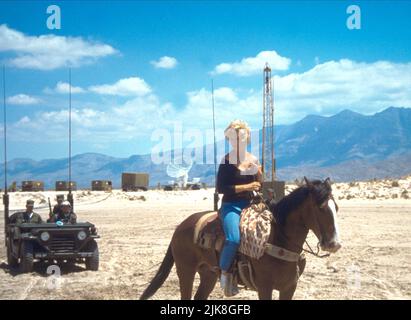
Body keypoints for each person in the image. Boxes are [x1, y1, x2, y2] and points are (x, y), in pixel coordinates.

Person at [216, 120, 262, 297]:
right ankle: (225, 273)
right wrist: (247, 186)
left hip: (252, 205)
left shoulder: (254, 160)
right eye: (234, 138)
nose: (238, 141)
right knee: (233, 239)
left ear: (248, 138)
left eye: (242, 137)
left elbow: (259, 185)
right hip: (231, 206)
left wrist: (260, 176)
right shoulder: (226, 161)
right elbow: (222, 188)